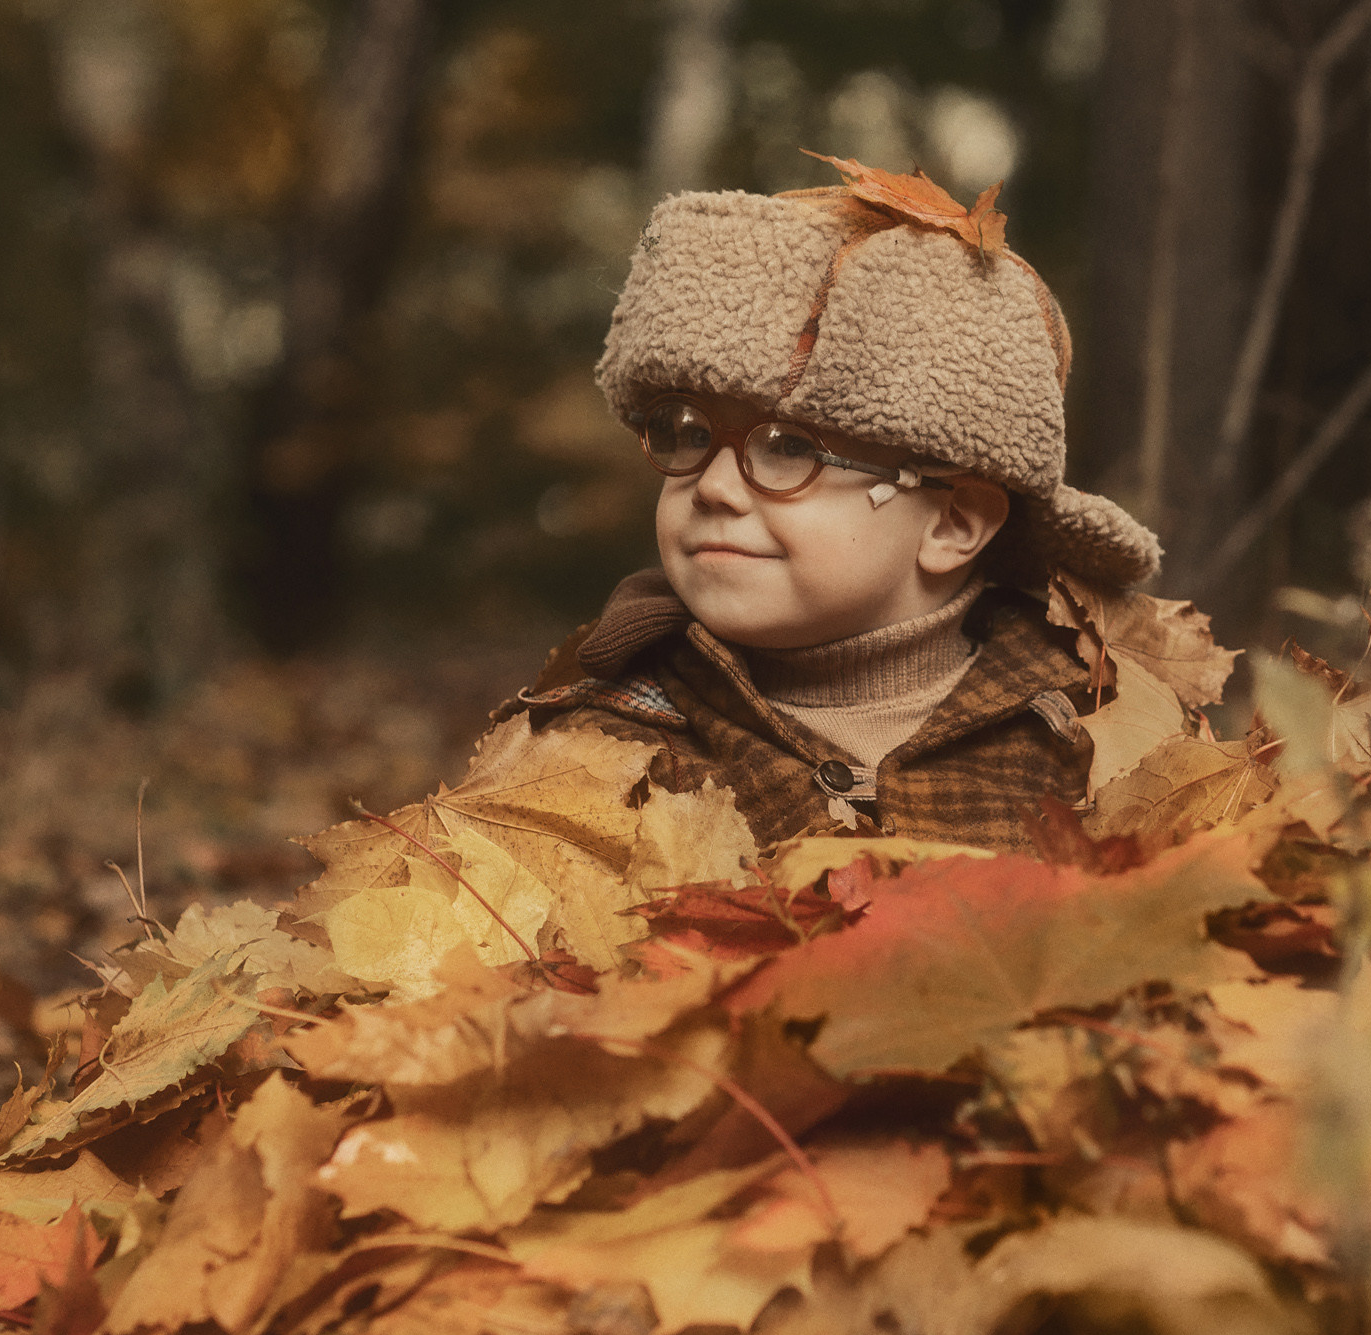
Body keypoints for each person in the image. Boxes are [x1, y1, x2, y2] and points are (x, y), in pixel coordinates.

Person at [494, 161, 1187, 855]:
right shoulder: (602, 740)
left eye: (791, 449)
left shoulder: (1095, 730)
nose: (712, 486)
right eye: (690, 433)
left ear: (952, 523)